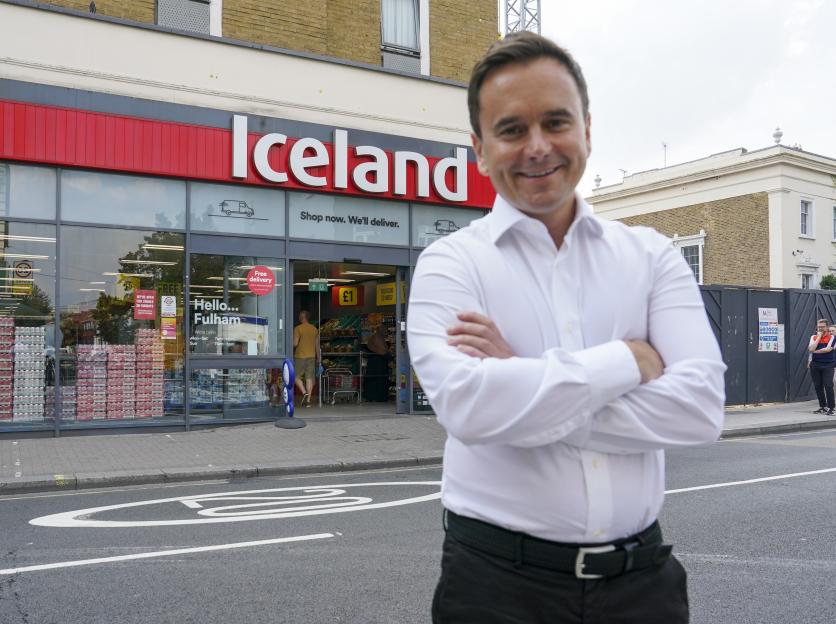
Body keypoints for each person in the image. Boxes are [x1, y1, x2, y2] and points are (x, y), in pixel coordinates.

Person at [407, 32, 726, 624]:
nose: (537, 147)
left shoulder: (652, 256)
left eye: (556, 122)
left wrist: (521, 379)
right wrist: (629, 361)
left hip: (642, 588)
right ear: (479, 148)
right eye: (511, 130)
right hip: (497, 589)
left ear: (586, 129)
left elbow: (701, 408)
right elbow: (468, 408)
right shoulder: (451, 264)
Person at [807, 318, 835, 415]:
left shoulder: (832, 337)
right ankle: (822, 407)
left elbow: (827, 349)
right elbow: (810, 348)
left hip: (828, 365)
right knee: (818, 386)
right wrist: (818, 337)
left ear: (827, 327)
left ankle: (832, 408)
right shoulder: (813, 337)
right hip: (815, 365)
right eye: (819, 327)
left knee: (828, 385)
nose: (820, 329)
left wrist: (814, 351)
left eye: (822, 327)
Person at [292, 310, 319, 406]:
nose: (299, 318)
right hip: (312, 356)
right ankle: (308, 401)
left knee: (295, 377)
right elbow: (317, 346)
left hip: (300, 356)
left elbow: (295, 343)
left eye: (300, 316)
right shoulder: (314, 329)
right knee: (309, 378)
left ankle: (304, 393)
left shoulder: (298, 328)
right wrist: (318, 359)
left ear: (302, 317)